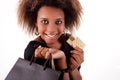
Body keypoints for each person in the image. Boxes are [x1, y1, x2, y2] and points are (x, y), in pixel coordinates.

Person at [17, 0, 84, 80]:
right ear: (36, 22)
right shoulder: (34, 50)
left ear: (65, 22)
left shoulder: (72, 39)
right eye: (44, 21)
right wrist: (62, 61)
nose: (51, 30)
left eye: (58, 22)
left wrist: (73, 68)